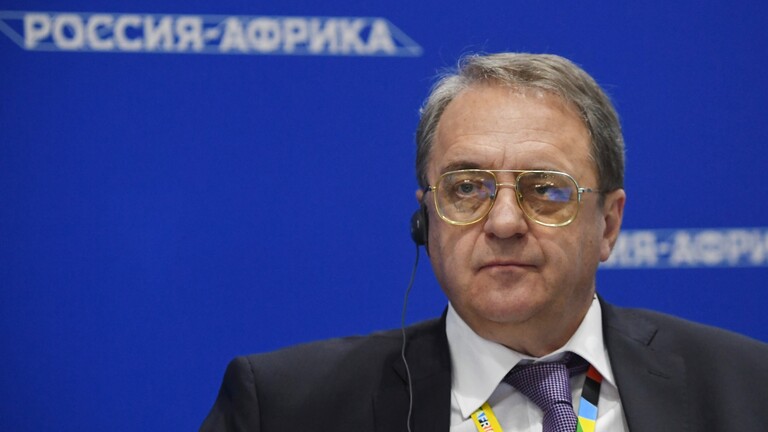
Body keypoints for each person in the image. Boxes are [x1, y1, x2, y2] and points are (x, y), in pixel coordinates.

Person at [200, 53, 768, 431]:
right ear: (427, 219)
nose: (503, 223)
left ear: (609, 224)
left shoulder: (749, 389)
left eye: (545, 189)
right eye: (467, 188)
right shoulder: (287, 408)